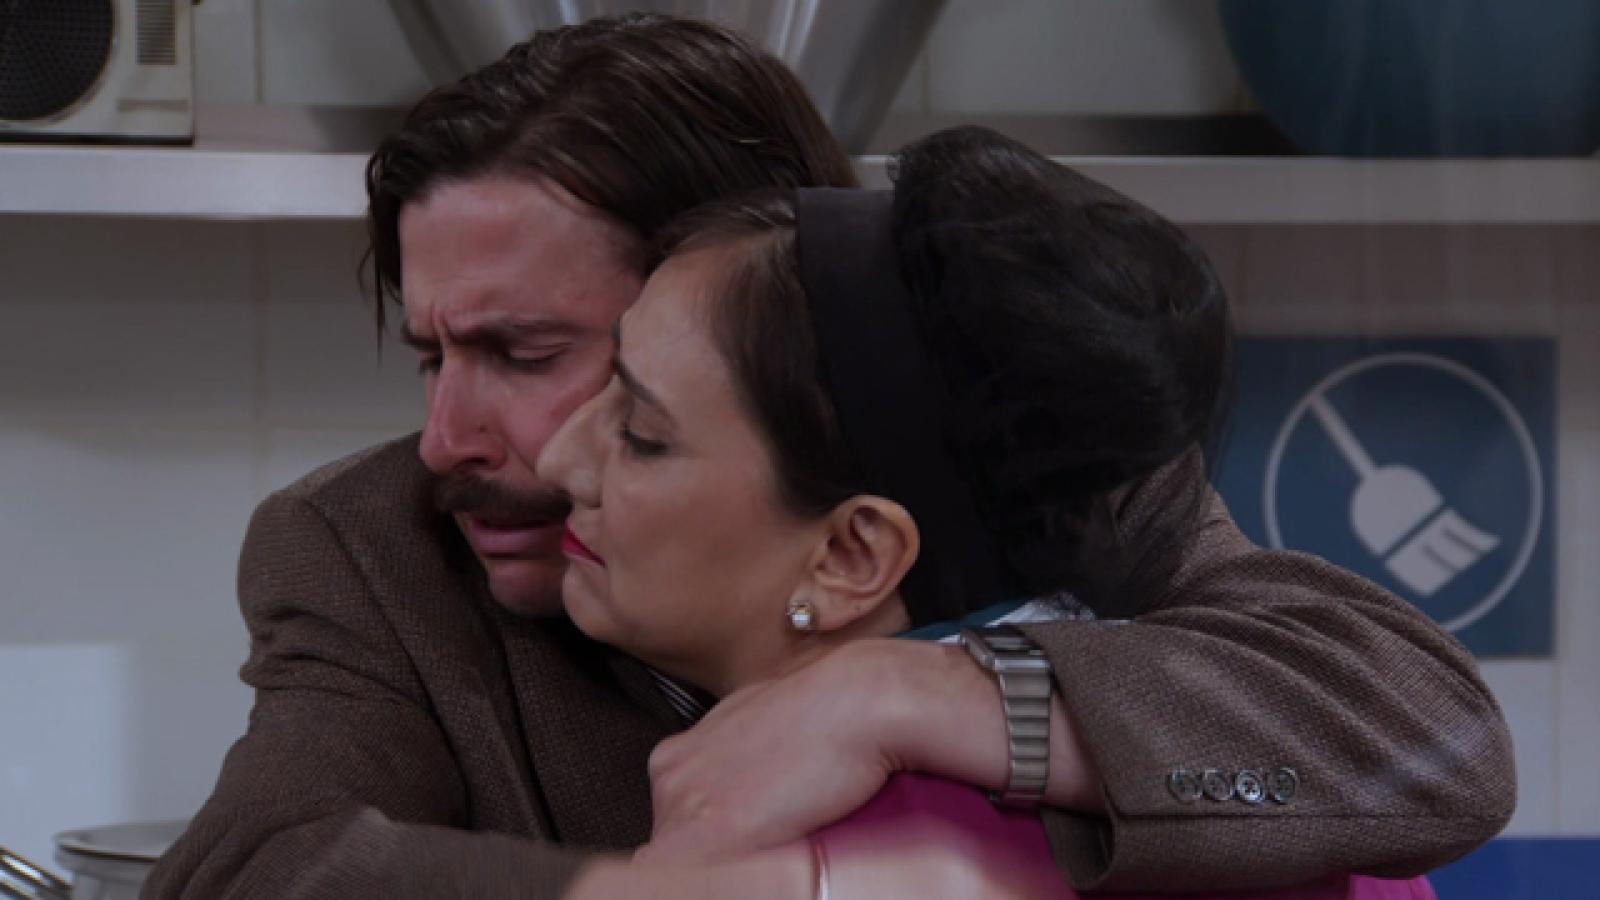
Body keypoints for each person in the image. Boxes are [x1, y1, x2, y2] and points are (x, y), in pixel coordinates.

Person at [144, 13, 1513, 900]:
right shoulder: (366, 548)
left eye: (531, 352)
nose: (451, 438)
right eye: (430, 355)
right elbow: (257, 868)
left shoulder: (1032, 463)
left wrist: (914, 697)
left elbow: (1423, 742)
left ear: (754, 287)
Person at [541, 125, 1444, 900]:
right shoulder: (1332, 835)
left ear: (854, 554)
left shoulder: (787, 866)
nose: (559, 459)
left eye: (642, 435)